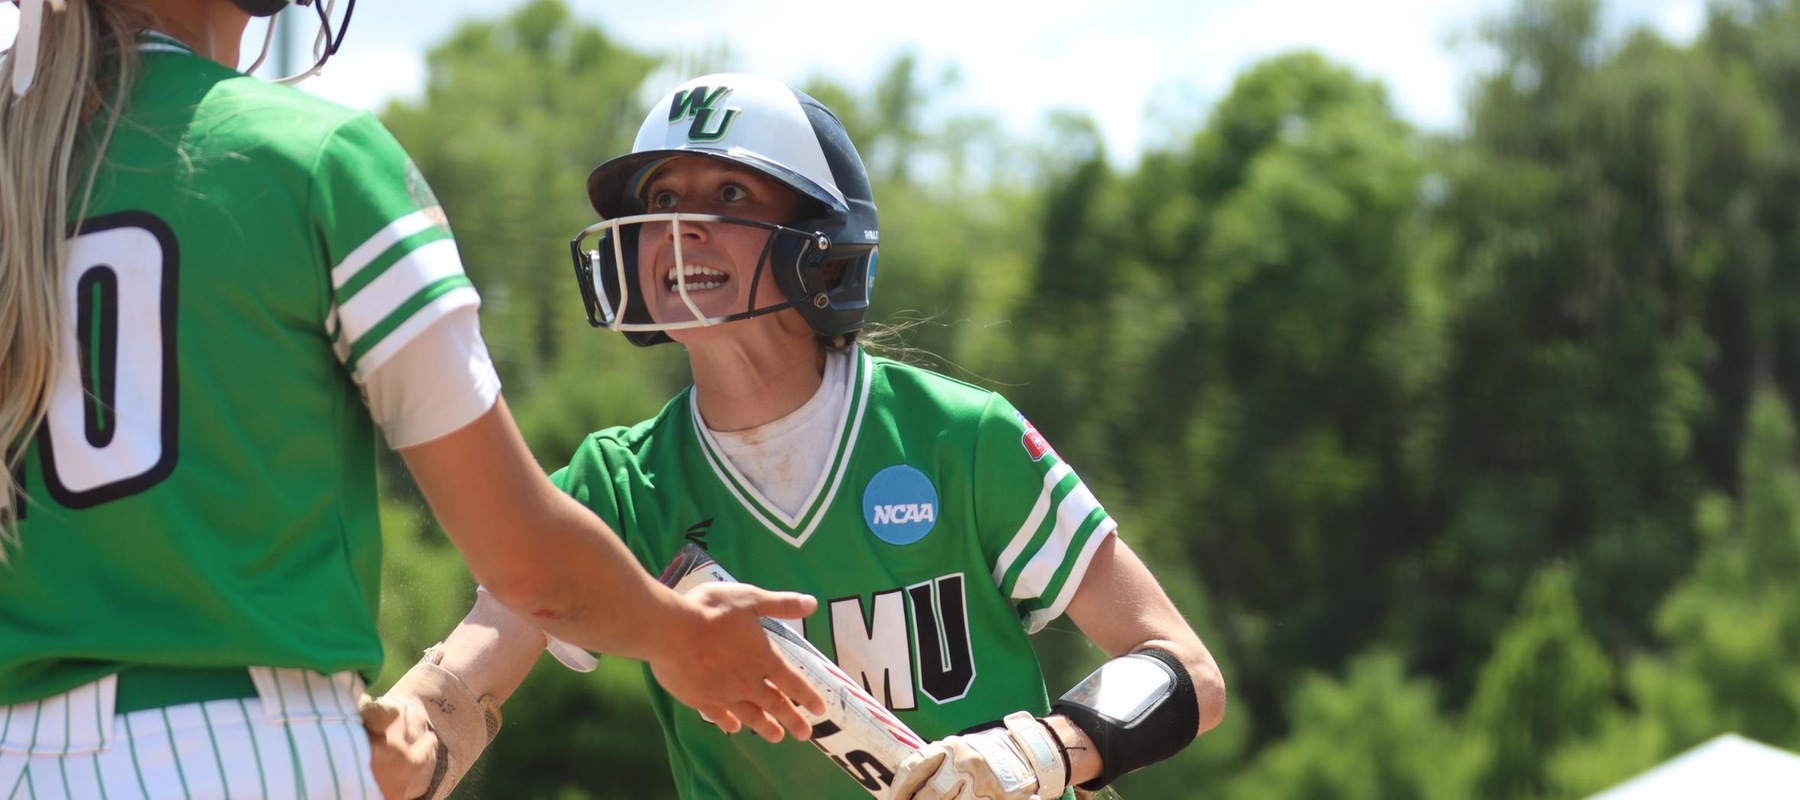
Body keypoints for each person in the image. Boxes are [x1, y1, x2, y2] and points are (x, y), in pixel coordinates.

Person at [0, 5, 825, 799]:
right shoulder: (313, 157)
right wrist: (683, 637)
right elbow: (526, 561)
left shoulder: (19, 152)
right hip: (248, 750)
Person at [394, 72, 1227, 799]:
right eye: (660, 201)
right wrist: (372, 748)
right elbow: (451, 699)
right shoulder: (618, 486)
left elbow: (1184, 670)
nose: (680, 227)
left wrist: (1031, 755)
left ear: (823, 243)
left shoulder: (959, 438)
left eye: (728, 196)